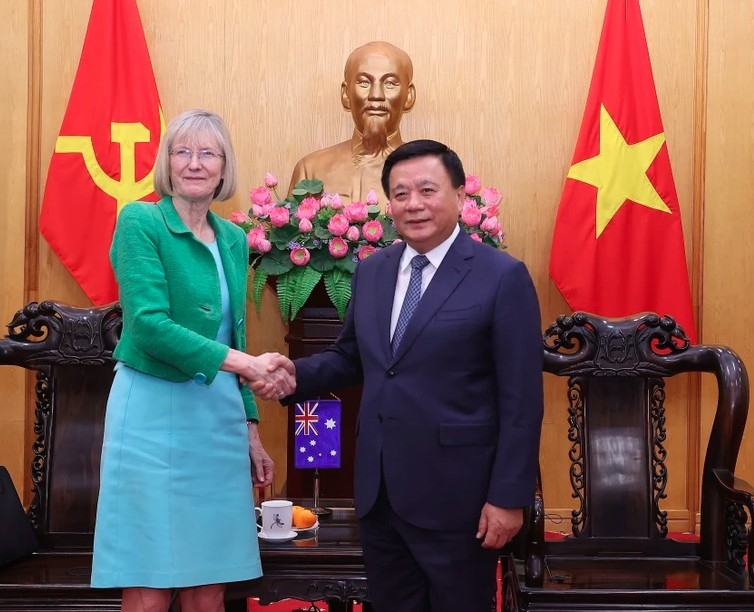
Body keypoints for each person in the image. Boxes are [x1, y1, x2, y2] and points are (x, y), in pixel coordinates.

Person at [267, 139, 544, 611]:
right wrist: (291, 375)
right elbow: (352, 357)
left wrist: (509, 496)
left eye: (427, 190)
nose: (413, 204)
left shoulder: (501, 277)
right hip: (381, 493)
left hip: (461, 498)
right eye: (400, 193)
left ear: (459, 194)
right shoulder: (373, 271)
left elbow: (522, 399)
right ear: (387, 203)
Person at [90, 109, 294, 612]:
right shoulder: (140, 221)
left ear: (225, 168)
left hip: (217, 418)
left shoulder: (232, 237)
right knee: (149, 574)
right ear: (167, 162)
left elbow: (234, 331)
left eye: (208, 153)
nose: (195, 163)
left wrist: (250, 427)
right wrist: (247, 365)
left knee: (212, 577)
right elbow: (148, 326)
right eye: (183, 151)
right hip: (150, 415)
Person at [288, 41, 417, 205]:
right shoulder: (311, 170)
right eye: (364, 82)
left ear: (409, 96)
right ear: (346, 94)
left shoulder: (432, 173)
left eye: (390, 83)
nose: (376, 95)